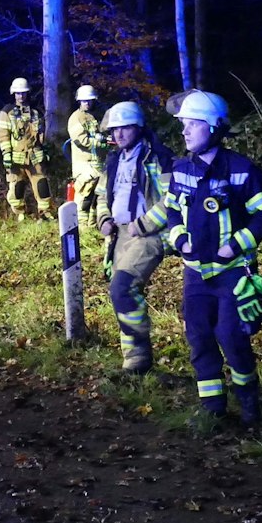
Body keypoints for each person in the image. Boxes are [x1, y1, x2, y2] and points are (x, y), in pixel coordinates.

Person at [138, 91, 262, 428]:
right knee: (198, 337)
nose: (184, 131)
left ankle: (249, 407)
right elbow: (172, 210)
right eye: (183, 124)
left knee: (231, 336)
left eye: (192, 124)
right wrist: (179, 238)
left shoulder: (243, 170)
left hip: (232, 274)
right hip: (195, 275)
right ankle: (212, 408)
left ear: (213, 128)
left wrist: (236, 245)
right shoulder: (181, 169)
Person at [94, 101, 174, 375]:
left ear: (138, 127)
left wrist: (144, 224)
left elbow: (171, 201)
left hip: (147, 236)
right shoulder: (114, 160)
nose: (118, 135)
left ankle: (138, 359)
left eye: (124, 128)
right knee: (121, 293)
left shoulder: (157, 157)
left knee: (122, 288)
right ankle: (133, 361)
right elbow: (102, 195)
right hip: (120, 236)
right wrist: (104, 219)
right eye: (114, 130)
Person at [0, 77, 49, 220]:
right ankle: (19, 214)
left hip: (34, 156)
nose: (21, 96)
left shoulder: (36, 113)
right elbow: (3, 134)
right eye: (18, 93)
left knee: (42, 185)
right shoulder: (7, 112)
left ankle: (45, 214)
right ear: (14, 94)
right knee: (17, 187)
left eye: (24, 93)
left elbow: (41, 135)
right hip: (16, 157)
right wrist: (6, 153)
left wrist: (45, 150)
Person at [67, 84, 106, 220]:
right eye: (84, 101)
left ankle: (92, 226)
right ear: (79, 101)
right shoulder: (76, 117)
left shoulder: (92, 117)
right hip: (83, 164)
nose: (87, 103)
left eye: (89, 100)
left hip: (96, 163)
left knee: (95, 196)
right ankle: (82, 227)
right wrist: (99, 141)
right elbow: (81, 140)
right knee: (84, 194)